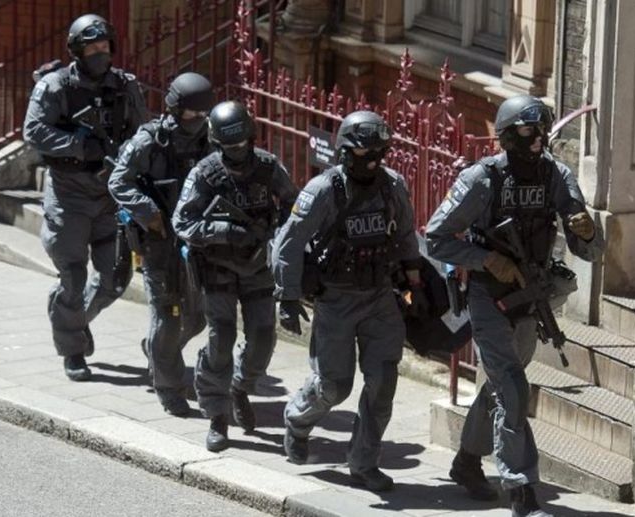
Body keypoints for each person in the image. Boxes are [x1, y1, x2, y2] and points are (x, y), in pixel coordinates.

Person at [425, 94, 604, 517]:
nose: (538, 138)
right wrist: (488, 259)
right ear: (506, 136)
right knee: (513, 388)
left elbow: (591, 251)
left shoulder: (557, 175)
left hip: (531, 295)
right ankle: (522, 487)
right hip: (489, 296)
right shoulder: (481, 179)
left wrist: (587, 233)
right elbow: (436, 237)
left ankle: (467, 461)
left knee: (502, 386)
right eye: (527, 130)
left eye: (542, 129)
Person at [271, 110, 427, 492]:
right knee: (333, 387)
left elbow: (406, 235)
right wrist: (287, 297)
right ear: (344, 151)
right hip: (336, 301)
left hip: (380, 298)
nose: (371, 161)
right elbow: (288, 244)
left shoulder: (393, 185)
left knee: (383, 382)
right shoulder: (323, 190)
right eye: (362, 153)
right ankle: (297, 420)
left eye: (378, 153)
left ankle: (363, 462)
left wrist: (415, 283)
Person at [23, 13, 147, 382]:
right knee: (73, 278)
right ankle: (72, 349)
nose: (99, 53)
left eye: (104, 46)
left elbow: (142, 131)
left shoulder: (126, 86)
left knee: (114, 279)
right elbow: (34, 131)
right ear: (77, 50)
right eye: (92, 47)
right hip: (69, 193)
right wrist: (80, 145)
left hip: (110, 195)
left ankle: (74, 321)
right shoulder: (55, 86)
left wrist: (130, 159)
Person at [172, 100, 299, 451]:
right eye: (230, 145)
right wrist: (225, 232)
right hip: (219, 269)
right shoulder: (205, 174)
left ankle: (240, 387)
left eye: (242, 143)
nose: (238, 150)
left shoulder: (269, 167)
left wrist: (276, 235)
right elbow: (183, 221)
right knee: (221, 339)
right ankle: (216, 414)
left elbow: (293, 206)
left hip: (258, 267)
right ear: (217, 143)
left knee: (263, 338)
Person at [107, 72, 215, 416]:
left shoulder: (209, 139)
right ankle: (169, 388)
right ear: (175, 108)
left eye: (204, 114)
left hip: (195, 241)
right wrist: (149, 212)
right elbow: (119, 182)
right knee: (167, 318)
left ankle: (157, 351)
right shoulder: (149, 140)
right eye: (193, 113)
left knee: (196, 319)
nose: (198, 120)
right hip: (159, 241)